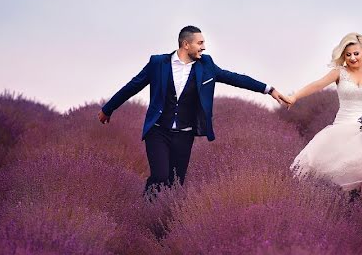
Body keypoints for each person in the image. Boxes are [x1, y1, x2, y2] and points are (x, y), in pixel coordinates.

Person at [98, 26, 291, 197]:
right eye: (200, 43)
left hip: (185, 134)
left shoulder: (207, 66)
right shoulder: (158, 63)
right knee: (159, 176)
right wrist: (108, 108)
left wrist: (269, 89)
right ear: (185, 44)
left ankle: (161, 222)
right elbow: (134, 85)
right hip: (158, 131)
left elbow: (235, 78)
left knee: (175, 184)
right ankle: (145, 210)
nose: (204, 47)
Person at [288, 33, 362, 199]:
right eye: (348, 55)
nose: (352, 58)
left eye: (356, 53)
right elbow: (317, 85)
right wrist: (294, 97)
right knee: (344, 175)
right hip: (343, 128)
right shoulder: (339, 72)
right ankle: (344, 210)